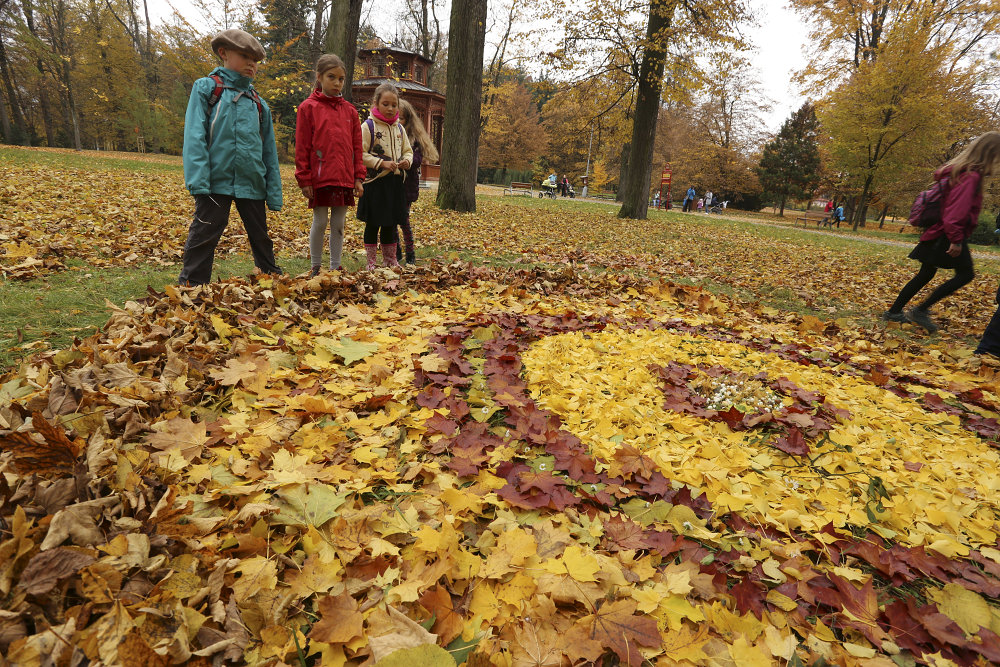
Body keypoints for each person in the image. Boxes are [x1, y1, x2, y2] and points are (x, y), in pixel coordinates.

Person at [178, 29, 283, 286]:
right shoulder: (207, 89)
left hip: (252, 182)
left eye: (255, 60)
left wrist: (273, 191)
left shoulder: (258, 103)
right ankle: (192, 286)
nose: (251, 64)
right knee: (204, 234)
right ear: (224, 53)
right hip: (215, 181)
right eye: (245, 56)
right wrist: (199, 180)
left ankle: (270, 281)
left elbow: (268, 151)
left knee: (261, 237)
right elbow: (195, 136)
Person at [884, 131, 1000, 334]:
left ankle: (895, 311)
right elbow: (955, 212)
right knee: (965, 274)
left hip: (940, 231)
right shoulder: (971, 176)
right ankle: (920, 310)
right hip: (948, 233)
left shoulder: (960, 171)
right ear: (991, 154)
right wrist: (955, 240)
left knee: (926, 273)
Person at [295, 54, 365, 277]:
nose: (337, 83)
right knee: (321, 220)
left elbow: (357, 148)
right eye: (331, 77)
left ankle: (335, 266)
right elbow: (303, 145)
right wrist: (304, 178)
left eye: (341, 79)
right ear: (319, 77)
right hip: (319, 176)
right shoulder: (308, 108)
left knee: (339, 222)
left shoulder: (351, 112)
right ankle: (316, 265)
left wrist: (358, 177)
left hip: (344, 177)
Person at [358, 82, 412, 270]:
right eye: (385, 104)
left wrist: (406, 161)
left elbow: (408, 150)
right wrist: (381, 163)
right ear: (376, 103)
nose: (390, 108)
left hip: (395, 184)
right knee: (373, 224)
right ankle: (371, 262)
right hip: (375, 184)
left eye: (394, 105)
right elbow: (360, 154)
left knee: (391, 224)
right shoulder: (368, 126)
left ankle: (390, 260)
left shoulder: (400, 129)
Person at [397, 99, 438, 265]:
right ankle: (395, 251)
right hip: (390, 186)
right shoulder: (386, 134)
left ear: (408, 120)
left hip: (406, 188)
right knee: (390, 221)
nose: (398, 121)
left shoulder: (413, 140)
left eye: (401, 118)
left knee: (403, 220)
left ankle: (410, 253)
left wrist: (405, 161)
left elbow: (417, 160)